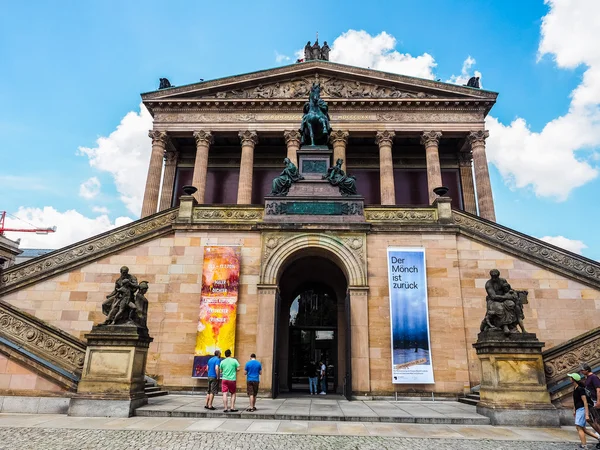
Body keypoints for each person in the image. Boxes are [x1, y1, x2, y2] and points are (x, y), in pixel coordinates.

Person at [568, 373, 600, 449]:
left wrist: (586, 414)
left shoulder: (580, 389)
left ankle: (584, 445)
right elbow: (576, 401)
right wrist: (574, 409)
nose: (569, 378)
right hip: (579, 409)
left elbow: (585, 402)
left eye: (570, 377)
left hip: (582, 409)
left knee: (579, 427)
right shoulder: (575, 388)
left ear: (573, 379)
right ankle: (598, 438)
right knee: (583, 428)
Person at [582, 364, 600, 436]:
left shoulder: (593, 377)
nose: (581, 372)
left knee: (597, 420)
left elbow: (598, 390)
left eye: (582, 370)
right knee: (592, 419)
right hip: (591, 401)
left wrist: (598, 401)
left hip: (594, 400)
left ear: (587, 370)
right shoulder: (588, 378)